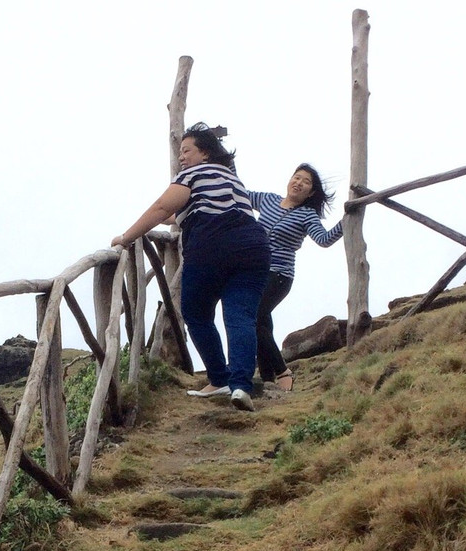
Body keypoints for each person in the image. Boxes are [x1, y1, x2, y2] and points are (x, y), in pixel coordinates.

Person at [112, 123, 270, 411]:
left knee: (196, 313)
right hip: (254, 248)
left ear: (205, 153)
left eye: (187, 151)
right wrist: (174, 218)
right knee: (240, 317)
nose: (182, 157)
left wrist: (126, 237)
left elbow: (162, 207)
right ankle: (241, 387)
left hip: (213, 245)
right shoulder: (231, 179)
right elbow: (182, 213)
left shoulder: (194, 173)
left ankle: (219, 377)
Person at [249, 164, 343, 392]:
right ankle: (268, 377)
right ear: (289, 180)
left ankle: (283, 371)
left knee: (255, 316)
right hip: (255, 271)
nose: (299, 183)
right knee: (261, 322)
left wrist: (348, 219)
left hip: (280, 275)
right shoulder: (268, 200)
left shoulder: (307, 215)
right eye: (297, 177)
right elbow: (238, 193)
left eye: (306, 182)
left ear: (311, 193)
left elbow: (324, 239)